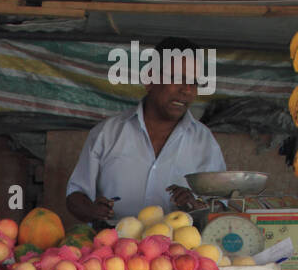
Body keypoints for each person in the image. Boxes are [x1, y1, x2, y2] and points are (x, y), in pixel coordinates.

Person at [66, 43, 226, 227]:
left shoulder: (204, 141)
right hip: (113, 250)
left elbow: (221, 206)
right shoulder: (108, 133)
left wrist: (196, 206)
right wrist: (92, 210)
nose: (187, 90)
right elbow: (75, 196)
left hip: (181, 250)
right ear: (149, 79)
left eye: (194, 82)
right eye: (176, 78)